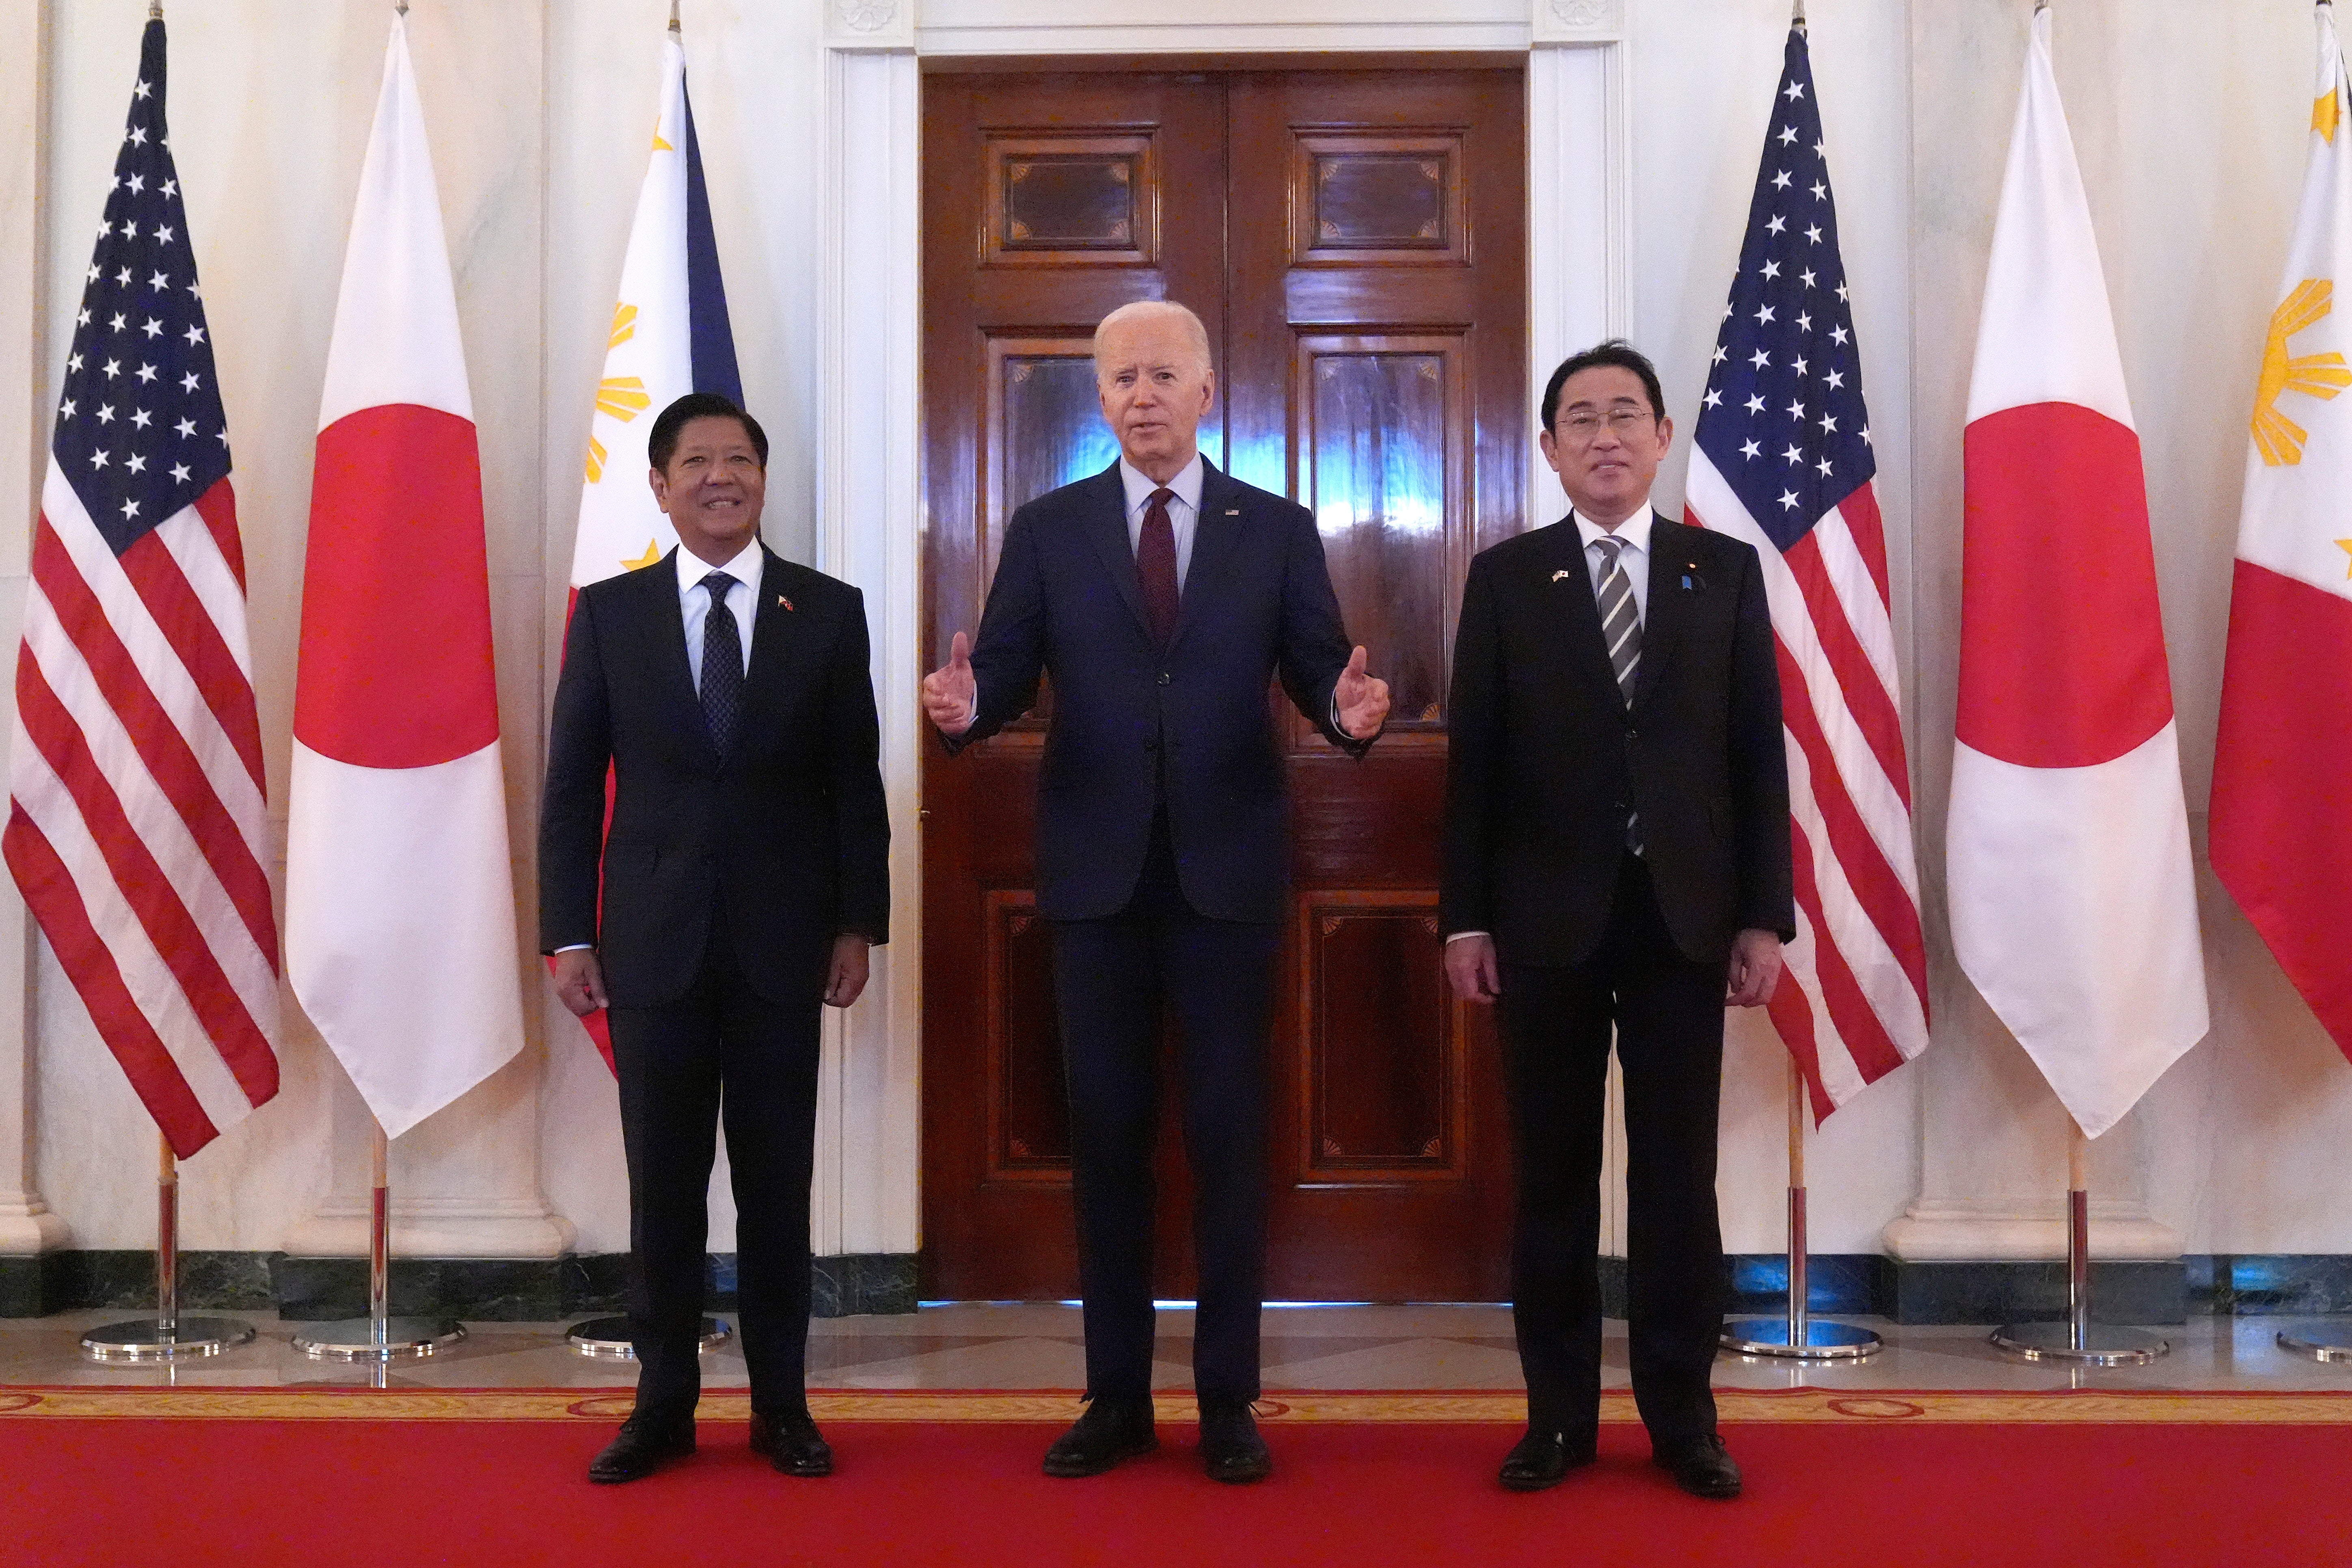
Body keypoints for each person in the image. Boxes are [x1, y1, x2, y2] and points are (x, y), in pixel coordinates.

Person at [922, 300, 1391, 1484]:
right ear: (1099, 400)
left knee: (1232, 1144)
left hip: (1228, 879)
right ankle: (1115, 1397)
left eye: (1163, 376)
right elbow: (1007, 672)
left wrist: (1346, 713)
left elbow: (1316, 667)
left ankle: (1227, 1401)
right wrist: (966, 712)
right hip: (1094, 881)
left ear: (1204, 391)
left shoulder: (1273, 529)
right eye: (1121, 378)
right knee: (1109, 1146)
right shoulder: (1049, 526)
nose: (1142, 396)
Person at [1440, 341, 1792, 1501]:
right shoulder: (1505, 580)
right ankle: (1554, 1421)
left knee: (1674, 1185)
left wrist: (1762, 918)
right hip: (1541, 923)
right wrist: (1464, 923)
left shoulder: (1723, 573)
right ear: (1548, 449)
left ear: (1658, 440)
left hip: (1684, 924)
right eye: (1579, 419)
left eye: (1624, 415)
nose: (1603, 436)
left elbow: (1753, 758)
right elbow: (1474, 771)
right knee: (1550, 1181)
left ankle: (1684, 1420)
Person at [541, 392, 890, 1485]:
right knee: (665, 1187)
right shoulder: (611, 614)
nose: (718, 477)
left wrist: (857, 923)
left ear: (761, 479)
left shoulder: (826, 613)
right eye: (695, 462)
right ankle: (662, 1408)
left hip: (786, 947)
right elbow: (568, 791)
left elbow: (853, 786)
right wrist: (566, 933)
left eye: (738, 460)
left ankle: (782, 1408)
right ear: (659, 485)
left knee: (777, 1186)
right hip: (651, 946)